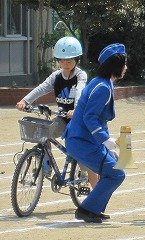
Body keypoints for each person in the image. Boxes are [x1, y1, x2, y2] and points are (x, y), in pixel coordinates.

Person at [15, 36, 99, 188]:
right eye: (62, 61)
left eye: (69, 61)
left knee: (79, 150)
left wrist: (75, 110)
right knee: (45, 133)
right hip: (62, 117)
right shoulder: (56, 76)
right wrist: (25, 101)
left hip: (79, 119)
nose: (65, 64)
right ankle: (45, 165)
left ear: (76, 60)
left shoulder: (81, 75)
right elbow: (41, 88)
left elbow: (80, 92)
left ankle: (87, 178)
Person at [63, 43, 127, 223]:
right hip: (82, 142)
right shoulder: (103, 88)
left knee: (114, 170)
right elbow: (89, 118)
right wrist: (107, 141)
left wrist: (107, 143)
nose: (126, 68)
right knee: (117, 174)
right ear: (116, 65)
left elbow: (96, 118)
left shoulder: (100, 82)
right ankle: (86, 209)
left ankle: (93, 209)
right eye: (124, 63)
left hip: (83, 140)